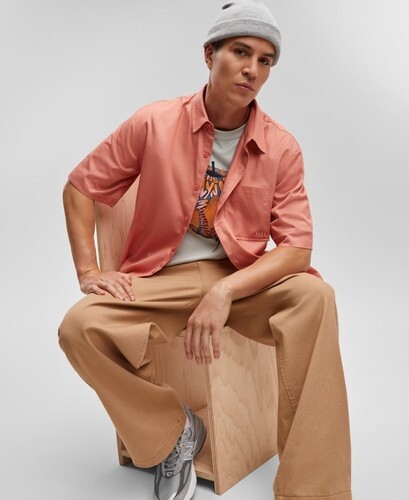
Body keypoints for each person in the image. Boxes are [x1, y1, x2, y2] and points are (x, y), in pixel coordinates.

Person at [58, 1, 353, 499]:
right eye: (241, 52)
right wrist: (88, 270)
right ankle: (172, 433)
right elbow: (80, 187)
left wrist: (225, 292)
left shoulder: (280, 147)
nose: (252, 69)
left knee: (315, 298)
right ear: (209, 54)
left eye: (265, 60)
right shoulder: (154, 122)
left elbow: (296, 250)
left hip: (239, 280)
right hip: (160, 279)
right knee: (78, 328)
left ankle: (312, 489)